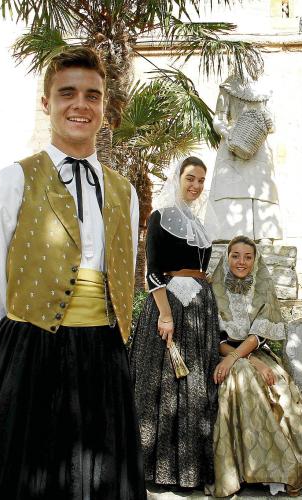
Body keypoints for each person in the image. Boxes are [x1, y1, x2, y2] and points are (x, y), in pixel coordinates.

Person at [0, 47, 145, 499]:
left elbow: (120, 275)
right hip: (30, 354)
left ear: (105, 106)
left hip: (103, 357)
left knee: (102, 483)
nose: (80, 105)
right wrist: (23, 341)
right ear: (46, 103)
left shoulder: (124, 192)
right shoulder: (13, 180)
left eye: (92, 95)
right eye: (67, 93)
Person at [129, 156, 221, 491]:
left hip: (199, 312)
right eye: (190, 178)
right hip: (169, 308)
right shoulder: (160, 217)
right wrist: (165, 315)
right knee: (164, 389)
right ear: (178, 178)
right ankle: (156, 471)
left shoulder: (198, 223)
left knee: (194, 389)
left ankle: (189, 472)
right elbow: (152, 270)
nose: (195, 185)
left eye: (201, 180)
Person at [210, 236, 302, 497]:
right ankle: (247, 470)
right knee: (242, 375)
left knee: (279, 388)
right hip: (223, 354)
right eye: (235, 255)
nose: (241, 262)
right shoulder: (213, 287)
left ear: (255, 260)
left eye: (248, 257)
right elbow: (214, 338)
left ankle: (279, 471)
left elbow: (258, 335)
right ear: (227, 257)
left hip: (255, 352)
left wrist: (247, 358)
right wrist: (239, 360)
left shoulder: (263, 285)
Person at [206, 70, 283, 242]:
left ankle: (264, 234)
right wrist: (227, 133)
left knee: (262, 188)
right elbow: (219, 119)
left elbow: (273, 125)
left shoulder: (266, 88)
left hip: (258, 144)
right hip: (232, 142)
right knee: (230, 187)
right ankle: (226, 234)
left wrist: (268, 122)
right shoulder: (228, 86)